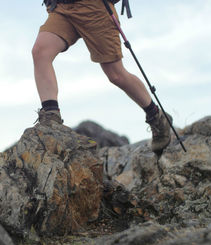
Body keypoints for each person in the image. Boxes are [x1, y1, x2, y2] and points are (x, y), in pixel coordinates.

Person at [32, 0, 172, 154]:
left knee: (116, 74)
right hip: (62, 8)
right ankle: (51, 117)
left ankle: (156, 117)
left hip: (94, 8)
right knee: (40, 51)